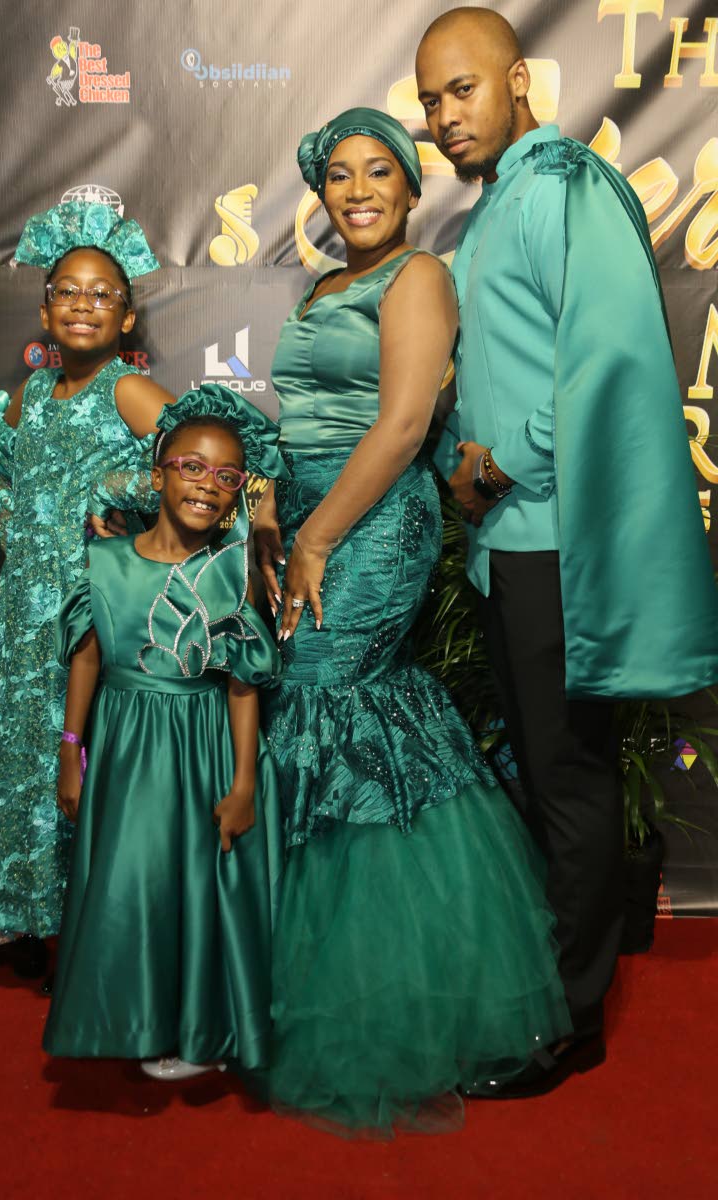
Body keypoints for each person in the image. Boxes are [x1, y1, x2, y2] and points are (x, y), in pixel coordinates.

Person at [415, 8, 718, 1097]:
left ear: (516, 82)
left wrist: (502, 470)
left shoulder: (563, 187)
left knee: (571, 778)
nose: (443, 117)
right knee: (542, 775)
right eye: (430, 101)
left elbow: (604, 355)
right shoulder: (490, 208)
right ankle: (549, 981)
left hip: (552, 545)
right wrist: (460, 462)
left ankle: (568, 1021)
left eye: (460, 89)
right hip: (503, 547)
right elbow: (490, 370)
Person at [253, 106, 571, 1136]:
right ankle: (280, 982)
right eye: (337, 173)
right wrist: (267, 497)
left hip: (368, 527)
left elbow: (398, 426)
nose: (355, 190)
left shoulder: (418, 278)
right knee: (305, 715)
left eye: (378, 171)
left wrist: (315, 540)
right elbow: (298, 415)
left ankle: (380, 1007)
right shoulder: (322, 287)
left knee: (327, 709)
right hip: (305, 518)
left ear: (408, 186)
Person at [0, 202, 174, 977]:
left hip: (89, 608)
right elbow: (10, 483)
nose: (82, 304)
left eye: (101, 293)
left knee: (75, 758)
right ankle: (16, 917)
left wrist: (121, 503)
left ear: (128, 315)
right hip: (24, 608)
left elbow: (201, 462)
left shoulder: (128, 391)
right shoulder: (33, 396)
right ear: (44, 309)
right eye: (67, 291)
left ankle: (82, 923)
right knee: (20, 753)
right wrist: (33, 547)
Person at [44, 385, 285, 1079]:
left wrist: (243, 783)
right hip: (124, 747)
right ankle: (134, 1017)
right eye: (192, 468)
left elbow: (242, 684)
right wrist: (70, 752)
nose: (208, 486)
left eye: (227, 478)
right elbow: (85, 657)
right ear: (157, 474)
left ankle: (198, 1028)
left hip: (203, 745)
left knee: (198, 884)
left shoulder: (230, 573)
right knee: (132, 882)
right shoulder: (105, 563)